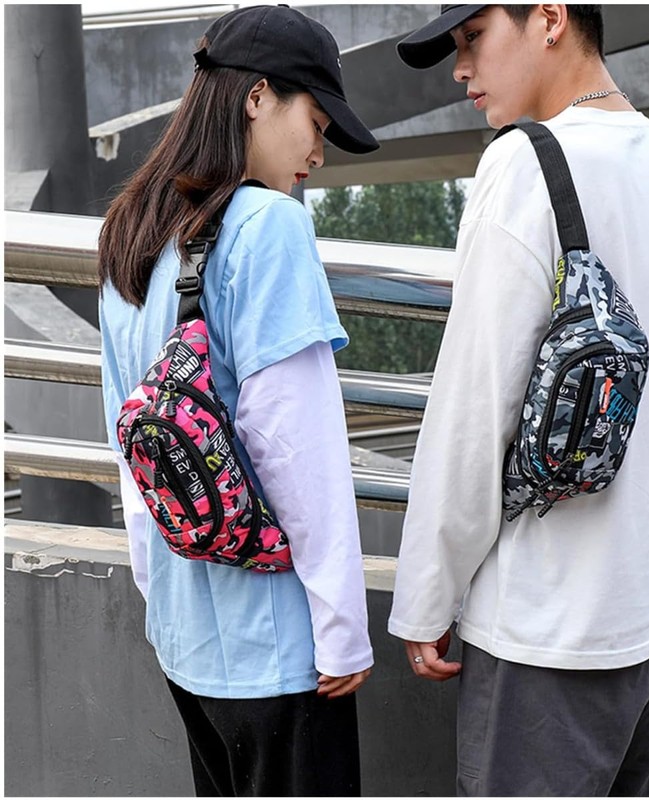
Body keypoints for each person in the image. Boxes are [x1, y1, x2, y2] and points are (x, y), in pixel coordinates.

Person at [388, 5, 649, 797]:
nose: (460, 68)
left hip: (551, 623)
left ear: (549, 16)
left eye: (474, 38)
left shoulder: (526, 163)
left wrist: (427, 597)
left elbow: (475, 408)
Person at [98, 6, 379, 796]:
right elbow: (298, 451)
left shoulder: (131, 231)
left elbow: (129, 445)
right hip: (281, 650)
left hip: (186, 640)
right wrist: (341, 629)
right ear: (258, 97)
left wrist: (161, 593)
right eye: (316, 122)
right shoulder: (269, 228)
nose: (318, 152)